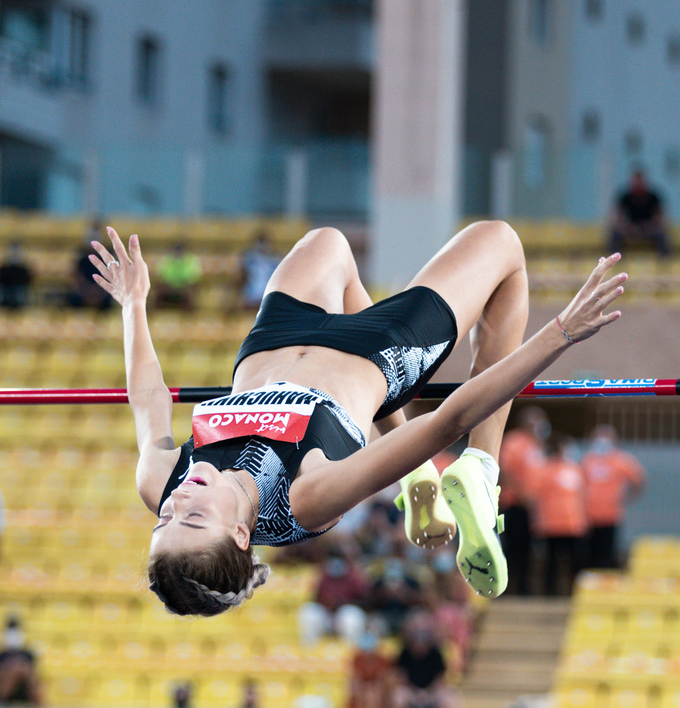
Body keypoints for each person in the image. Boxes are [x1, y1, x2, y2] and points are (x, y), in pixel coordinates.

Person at [88, 222, 625, 616]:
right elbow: (445, 421)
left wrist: (132, 305)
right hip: (378, 350)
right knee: (502, 246)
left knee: (328, 243)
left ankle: (417, 482)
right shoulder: (303, 499)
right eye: (193, 519)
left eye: (163, 521)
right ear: (239, 532)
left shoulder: (162, 482)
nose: (176, 503)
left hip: (276, 335)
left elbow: (149, 398)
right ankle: (480, 472)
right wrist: (561, 333)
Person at [498, 405, 549, 595]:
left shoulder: (537, 445)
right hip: (515, 504)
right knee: (512, 549)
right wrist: (522, 494)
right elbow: (506, 470)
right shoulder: (514, 442)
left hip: (532, 507)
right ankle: (508, 588)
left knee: (528, 550)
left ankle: (524, 589)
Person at [530, 433, 589, 596]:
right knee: (551, 563)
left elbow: (581, 497)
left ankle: (575, 593)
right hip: (551, 525)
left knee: (577, 562)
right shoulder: (545, 470)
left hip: (574, 524)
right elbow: (538, 499)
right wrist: (538, 522)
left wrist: (584, 520)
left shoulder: (576, 469)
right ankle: (549, 593)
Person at [582, 423, 646, 569]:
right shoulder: (588, 460)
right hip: (588, 516)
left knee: (607, 553)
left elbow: (639, 480)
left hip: (610, 515)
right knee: (588, 554)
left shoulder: (621, 460)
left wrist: (628, 498)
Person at [390, 609, 461, 708]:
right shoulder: (405, 653)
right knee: (398, 695)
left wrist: (427, 692)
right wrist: (416, 692)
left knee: (449, 696)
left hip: (431, 692)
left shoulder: (435, 653)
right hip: (411, 692)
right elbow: (402, 677)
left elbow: (439, 678)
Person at [608, 168, 671, 257]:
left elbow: (659, 217)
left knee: (662, 235)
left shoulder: (653, 197)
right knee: (614, 236)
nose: (638, 184)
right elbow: (618, 218)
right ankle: (616, 261)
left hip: (649, 228)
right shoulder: (625, 198)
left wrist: (649, 226)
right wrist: (627, 227)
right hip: (630, 229)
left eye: (640, 182)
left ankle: (664, 262)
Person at [68, 222, 113, 310]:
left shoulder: (107, 261)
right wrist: (87, 292)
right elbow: (78, 278)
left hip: (102, 292)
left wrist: (99, 292)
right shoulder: (82, 261)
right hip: (84, 292)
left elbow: (110, 279)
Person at [0, 615, 42, 705]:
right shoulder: (2, 655)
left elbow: (35, 680)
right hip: (6, 698)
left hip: (26, 694)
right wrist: (13, 672)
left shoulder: (28, 654)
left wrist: (23, 671)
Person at [238, 233, 281, 310]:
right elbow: (242, 277)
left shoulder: (275, 259)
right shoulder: (249, 258)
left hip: (268, 296)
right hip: (251, 295)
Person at [155, 243, 202, 311]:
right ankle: (158, 316)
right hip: (169, 289)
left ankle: (188, 317)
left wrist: (183, 284)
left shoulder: (190, 261)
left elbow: (193, 278)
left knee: (190, 293)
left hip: (183, 290)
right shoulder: (167, 260)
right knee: (158, 293)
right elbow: (161, 276)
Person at [0, 242, 33, 309]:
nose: (14, 254)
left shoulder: (24, 269)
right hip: (6, 298)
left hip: (19, 299)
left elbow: (28, 282)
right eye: (12, 252)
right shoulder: (4, 269)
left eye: (17, 252)